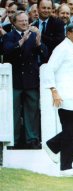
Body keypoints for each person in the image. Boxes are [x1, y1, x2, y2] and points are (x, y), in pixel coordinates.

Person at [42, 23, 73, 176]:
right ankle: (66, 168)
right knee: (68, 132)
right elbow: (49, 68)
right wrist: (54, 91)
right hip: (65, 96)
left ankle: (52, 145)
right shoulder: (61, 48)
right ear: (68, 33)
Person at [3, 11, 48, 149]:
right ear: (14, 22)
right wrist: (21, 41)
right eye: (21, 21)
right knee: (14, 112)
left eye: (26, 21)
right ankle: (13, 140)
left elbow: (45, 55)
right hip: (15, 81)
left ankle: (32, 139)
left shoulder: (34, 35)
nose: (24, 23)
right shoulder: (9, 36)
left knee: (32, 111)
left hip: (31, 80)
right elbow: (6, 51)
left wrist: (39, 42)